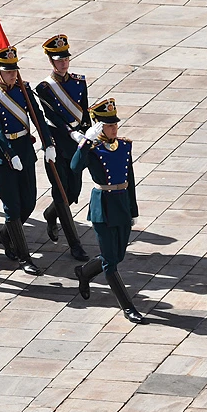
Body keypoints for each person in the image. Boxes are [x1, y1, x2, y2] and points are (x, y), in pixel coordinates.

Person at [0, 46, 55, 276]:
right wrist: (10, 155)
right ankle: (24, 257)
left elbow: (37, 116)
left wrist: (48, 142)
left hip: (25, 149)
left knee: (29, 203)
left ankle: (5, 235)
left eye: (14, 70)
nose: (13, 74)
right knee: (12, 208)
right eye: (7, 71)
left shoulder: (23, 89)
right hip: (4, 156)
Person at [71, 99, 143, 323]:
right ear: (99, 127)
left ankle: (84, 273)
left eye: (115, 124)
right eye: (109, 125)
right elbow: (74, 167)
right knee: (111, 263)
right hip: (103, 206)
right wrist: (85, 141)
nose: (114, 128)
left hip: (121, 204)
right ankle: (128, 306)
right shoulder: (93, 149)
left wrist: (133, 209)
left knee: (116, 256)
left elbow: (129, 178)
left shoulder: (124, 146)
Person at [35, 34, 90, 262]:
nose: (63, 63)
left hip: (77, 143)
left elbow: (84, 111)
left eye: (66, 58)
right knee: (62, 191)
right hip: (58, 144)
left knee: (73, 191)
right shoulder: (45, 88)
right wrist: (70, 131)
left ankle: (50, 214)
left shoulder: (79, 81)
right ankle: (75, 245)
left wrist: (87, 132)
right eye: (59, 60)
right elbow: (52, 117)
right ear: (51, 61)